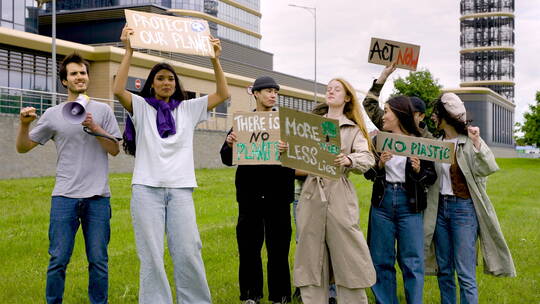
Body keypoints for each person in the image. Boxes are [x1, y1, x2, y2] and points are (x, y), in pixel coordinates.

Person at [113, 25, 230, 304]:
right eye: (161, 79)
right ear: (152, 84)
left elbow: (223, 94)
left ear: (176, 84)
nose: (167, 83)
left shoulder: (188, 109)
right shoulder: (141, 107)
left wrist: (215, 59)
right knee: (151, 254)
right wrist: (128, 50)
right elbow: (118, 88)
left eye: (171, 79)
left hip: (180, 191)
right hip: (146, 190)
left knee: (189, 250)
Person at [16, 53, 121, 304]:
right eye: (73, 73)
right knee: (58, 260)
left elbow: (115, 150)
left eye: (83, 72)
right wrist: (23, 125)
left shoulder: (103, 110)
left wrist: (95, 129)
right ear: (65, 81)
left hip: (98, 198)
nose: (79, 77)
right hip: (64, 197)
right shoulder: (53, 114)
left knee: (98, 261)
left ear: (88, 77)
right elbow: (23, 147)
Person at [286, 78, 376, 304]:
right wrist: (285, 150)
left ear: (347, 98)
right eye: (328, 89)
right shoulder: (310, 125)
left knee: (349, 254)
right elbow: (294, 160)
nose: (331, 91)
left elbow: (367, 158)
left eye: (337, 89)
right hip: (311, 194)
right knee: (310, 255)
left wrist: (348, 159)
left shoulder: (353, 129)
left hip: (339, 195)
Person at [424, 93, 516, 304]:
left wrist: (476, 143)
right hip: (439, 210)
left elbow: (488, 168)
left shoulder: (469, 140)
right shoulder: (436, 143)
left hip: (463, 210)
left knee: (465, 273)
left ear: (445, 116)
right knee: (444, 270)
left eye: (436, 114)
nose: (433, 118)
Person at [220, 76, 295, 304]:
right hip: (250, 196)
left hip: (279, 196)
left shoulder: (285, 123)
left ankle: (280, 296)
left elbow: (298, 160)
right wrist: (230, 144)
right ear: (255, 93)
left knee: (278, 250)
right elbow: (225, 158)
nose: (273, 95)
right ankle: (250, 296)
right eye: (268, 91)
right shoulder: (243, 123)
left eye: (275, 91)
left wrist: (287, 150)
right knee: (249, 249)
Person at [364, 96, 437, 304]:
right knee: (380, 260)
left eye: (387, 111)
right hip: (383, 203)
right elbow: (368, 173)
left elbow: (431, 177)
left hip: (409, 205)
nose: (383, 116)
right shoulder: (379, 140)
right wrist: (379, 165)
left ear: (399, 115)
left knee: (412, 261)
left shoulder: (421, 142)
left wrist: (418, 170)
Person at [363, 63, 432, 138]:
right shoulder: (389, 124)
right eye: (404, 111)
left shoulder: (430, 141)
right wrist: (383, 77)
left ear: (421, 116)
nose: (407, 115)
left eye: (411, 113)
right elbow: (369, 103)